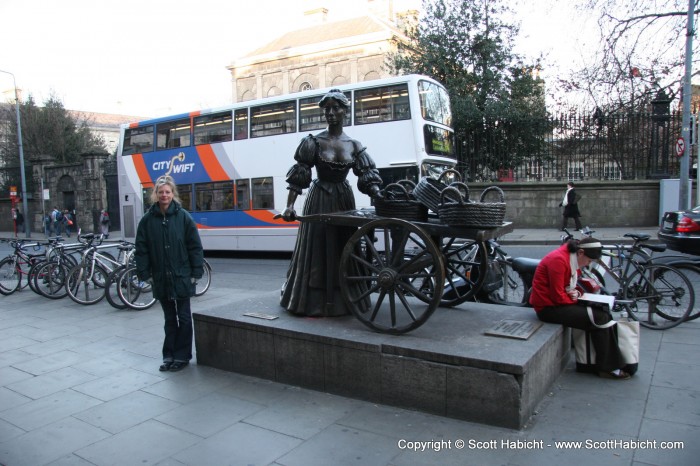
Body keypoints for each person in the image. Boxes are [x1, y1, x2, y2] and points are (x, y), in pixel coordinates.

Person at [279, 89, 383, 317]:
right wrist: (290, 205)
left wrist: (377, 192)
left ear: (345, 111)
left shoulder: (354, 145)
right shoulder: (313, 142)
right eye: (327, 109)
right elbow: (300, 175)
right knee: (316, 249)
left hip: (344, 200)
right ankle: (312, 301)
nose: (331, 113)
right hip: (319, 200)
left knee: (345, 247)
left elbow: (366, 175)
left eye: (336, 108)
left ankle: (345, 299)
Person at [529, 237, 631, 380]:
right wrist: (578, 298)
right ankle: (608, 367)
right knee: (599, 317)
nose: (587, 265)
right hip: (548, 309)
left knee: (604, 313)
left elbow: (570, 288)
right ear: (581, 252)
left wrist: (578, 294)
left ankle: (606, 363)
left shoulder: (570, 257)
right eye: (589, 261)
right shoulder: (558, 260)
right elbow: (558, 296)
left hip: (558, 303)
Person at [135, 175, 204, 372]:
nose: (164, 195)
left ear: (173, 194)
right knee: (169, 319)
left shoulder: (183, 217)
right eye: (161, 192)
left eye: (167, 192)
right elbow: (142, 249)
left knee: (183, 317)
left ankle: (182, 356)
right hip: (161, 278)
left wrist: (195, 272)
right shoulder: (148, 221)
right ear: (155, 194)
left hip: (181, 276)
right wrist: (144, 273)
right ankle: (169, 355)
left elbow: (195, 246)